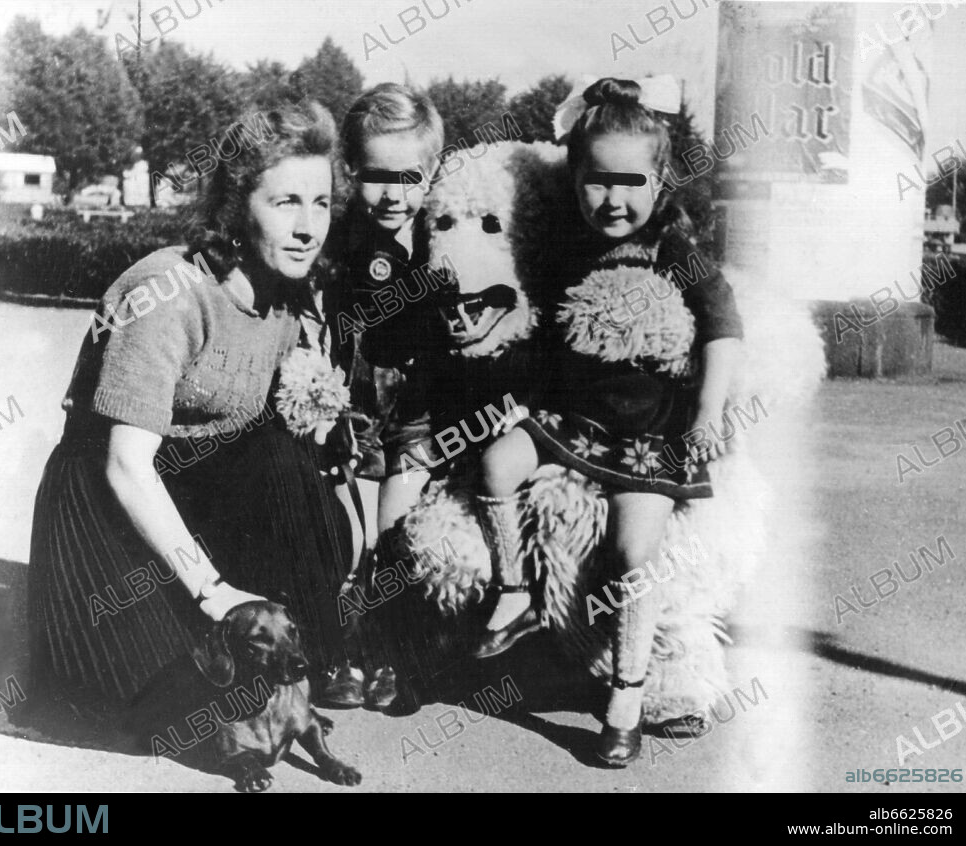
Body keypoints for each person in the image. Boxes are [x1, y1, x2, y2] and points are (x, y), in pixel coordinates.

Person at [25, 103, 359, 718]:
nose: (309, 226)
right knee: (164, 705)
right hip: (103, 494)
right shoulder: (166, 292)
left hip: (197, 485)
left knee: (281, 451)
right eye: (286, 202)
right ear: (235, 208)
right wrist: (212, 590)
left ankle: (325, 646)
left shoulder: (288, 297)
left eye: (321, 203)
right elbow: (125, 464)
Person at [472, 77, 744, 766]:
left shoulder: (673, 245)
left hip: (648, 429)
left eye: (631, 183)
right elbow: (542, 326)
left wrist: (710, 409)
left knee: (634, 550)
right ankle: (514, 594)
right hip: (572, 416)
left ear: (659, 183)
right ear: (576, 178)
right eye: (597, 182)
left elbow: (722, 325)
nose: (613, 200)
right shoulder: (567, 243)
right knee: (497, 462)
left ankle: (626, 691)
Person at [318, 83, 445, 709]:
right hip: (349, 408)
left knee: (395, 538)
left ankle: (390, 652)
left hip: (417, 413)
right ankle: (342, 651)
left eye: (410, 176)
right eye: (375, 176)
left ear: (433, 173)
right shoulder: (335, 243)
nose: (393, 194)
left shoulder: (443, 239)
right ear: (350, 172)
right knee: (350, 540)